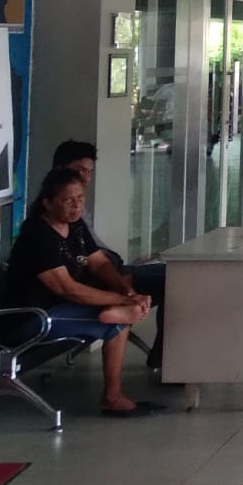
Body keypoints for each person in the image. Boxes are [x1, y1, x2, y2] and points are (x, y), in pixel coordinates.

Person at [7, 169, 163, 416]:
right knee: (121, 320)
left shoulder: (75, 226)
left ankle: (116, 315)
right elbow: (67, 289)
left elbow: (100, 263)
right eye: (68, 200)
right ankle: (113, 397)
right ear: (47, 203)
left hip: (61, 307)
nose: (76, 205)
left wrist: (125, 288)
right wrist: (125, 299)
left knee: (124, 310)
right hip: (34, 316)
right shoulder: (38, 234)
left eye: (80, 198)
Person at [50, 140, 167, 370]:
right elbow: (74, 275)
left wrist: (125, 286)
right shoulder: (51, 217)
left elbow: (98, 257)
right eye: (79, 171)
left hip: (113, 271)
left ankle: (164, 358)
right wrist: (124, 293)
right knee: (171, 282)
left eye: (89, 172)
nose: (85, 178)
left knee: (178, 278)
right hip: (87, 284)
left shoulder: (77, 214)